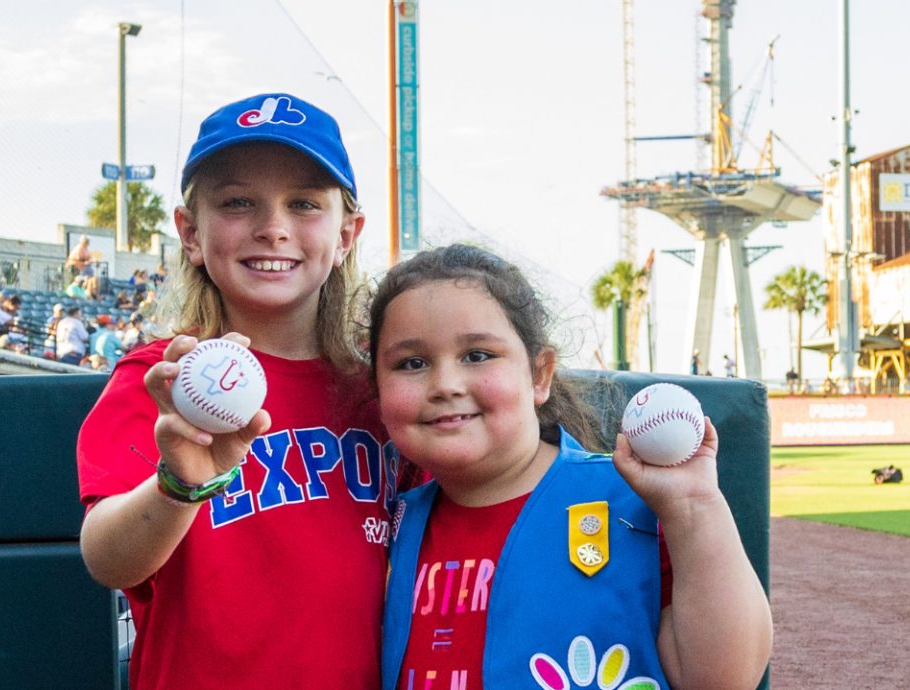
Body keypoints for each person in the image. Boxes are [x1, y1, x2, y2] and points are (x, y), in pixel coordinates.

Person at [76, 92, 387, 690]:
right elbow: (107, 559)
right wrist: (177, 486)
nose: (273, 229)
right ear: (191, 233)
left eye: (303, 204)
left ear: (347, 234)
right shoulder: (158, 381)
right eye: (239, 202)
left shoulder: (384, 392)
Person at [369, 244, 771, 690]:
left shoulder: (637, 499)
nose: (445, 384)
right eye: (412, 363)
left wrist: (695, 506)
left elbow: (726, 679)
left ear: (539, 375)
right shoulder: (385, 524)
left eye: (478, 355)